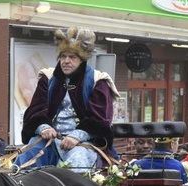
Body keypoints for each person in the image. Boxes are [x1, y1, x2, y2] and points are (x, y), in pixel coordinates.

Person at [15, 27, 119, 172]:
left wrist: (77, 136)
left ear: (82, 59)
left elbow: (100, 119)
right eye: (63, 56)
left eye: (72, 57)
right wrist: (44, 127)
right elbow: (36, 110)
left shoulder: (98, 81)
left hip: (83, 143)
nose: (66, 61)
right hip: (50, 141)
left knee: (77, 161)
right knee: (28, 153)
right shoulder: (48, 78)